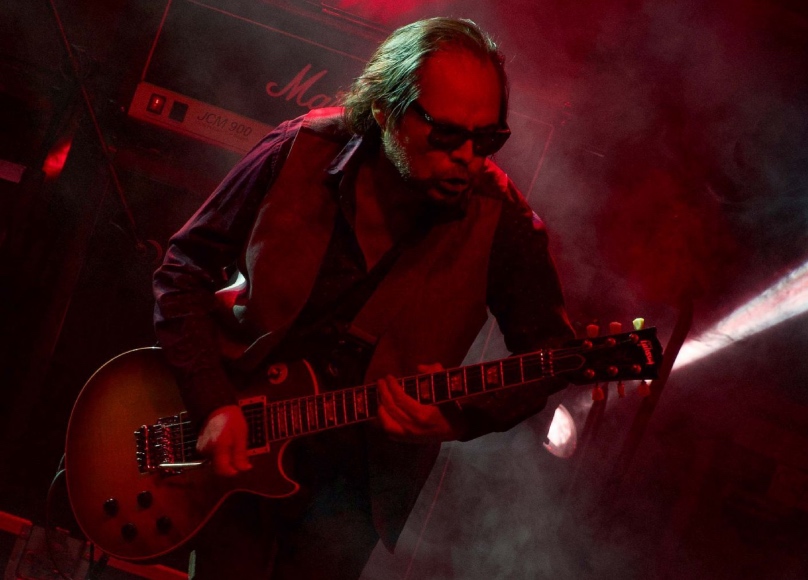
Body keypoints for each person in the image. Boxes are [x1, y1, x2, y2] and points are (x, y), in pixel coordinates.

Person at [151, 17, 573, 579]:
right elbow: (183, 269)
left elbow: (547, 355)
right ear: (385, 111)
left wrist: (455, 419)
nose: (468, 156)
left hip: (357, 489)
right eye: (446, 134)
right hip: (240, 448)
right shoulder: (297, 150)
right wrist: (212, 400)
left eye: (488, 138)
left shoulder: (504, 222)